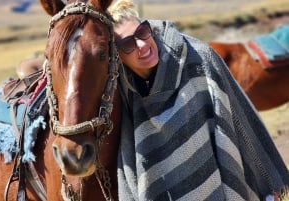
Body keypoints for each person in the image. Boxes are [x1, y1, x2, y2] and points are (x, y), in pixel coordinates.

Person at [108, 0, 289, 200]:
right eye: (128, 44)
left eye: (142, 31)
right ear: (116, 54)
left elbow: (239, 120)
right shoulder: (123, 91)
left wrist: (264, 181)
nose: (142, 45)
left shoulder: (199, 59)